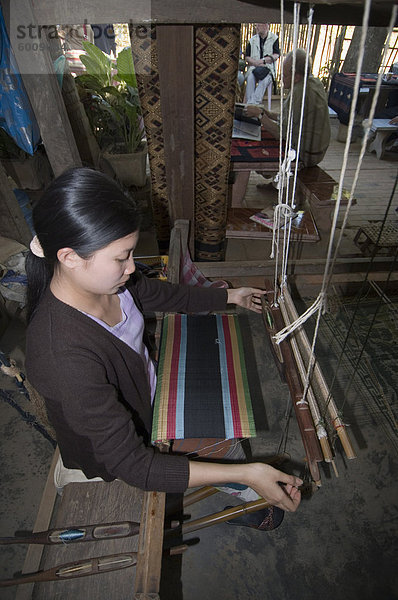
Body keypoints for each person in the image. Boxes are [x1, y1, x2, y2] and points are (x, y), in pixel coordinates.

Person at [25, 168, 302, 529]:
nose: (130, 268)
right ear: (70, 256)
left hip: (146, 390)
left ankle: (240, 477)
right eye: (121, 257)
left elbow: (158, 293)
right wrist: (250, 474)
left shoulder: (108, 283)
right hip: (125, 440)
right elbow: (136, 466)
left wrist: (228, 295)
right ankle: (242, 487)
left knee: (222, 419)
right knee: (229, 448)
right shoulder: (61, 355)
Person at [246, 48, 331, 169]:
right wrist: (268, 114)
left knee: (256, 147)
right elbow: (292, 119)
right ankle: (276, 184)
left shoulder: (299, 92)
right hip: (317, 150)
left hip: (306, 154)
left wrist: (260, 115)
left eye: (284, 75)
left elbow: (281, 133)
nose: (282, 78)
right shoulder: (314, 82)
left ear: (296, 77)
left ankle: (278, 181)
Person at [244, 23, 280, 105]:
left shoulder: (274, 38)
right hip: (254, 67)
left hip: (268, 68)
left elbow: (276, 55)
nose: (256, 27)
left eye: (258, 25)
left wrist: (263, 61)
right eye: (256, 25)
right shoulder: (252, 40)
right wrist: (255, 63)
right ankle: (251, 103)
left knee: (265, 80)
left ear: (265, 26)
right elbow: (247, 57)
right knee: (250, 78)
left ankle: (253, 103)